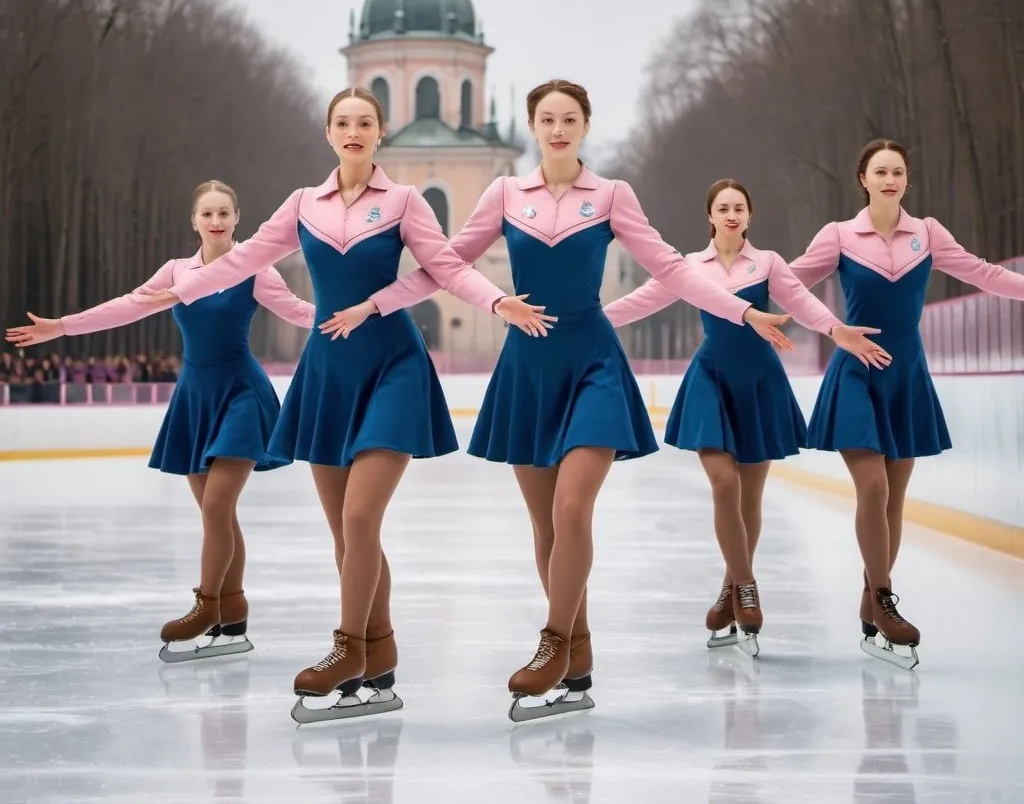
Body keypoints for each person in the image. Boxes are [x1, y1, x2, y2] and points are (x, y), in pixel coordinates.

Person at [325, 79, 794, 720]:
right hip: (527, 367)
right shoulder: (503, 195)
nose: (557, 128)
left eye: (569, 118)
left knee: (573, 509)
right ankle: (579, 651)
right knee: (545, 525)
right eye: (546, 118)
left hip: (594, 362)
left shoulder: (610, 196)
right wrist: (376, 303)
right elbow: (444, 266)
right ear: (532, 126)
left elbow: (673, 268)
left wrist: (743, 312)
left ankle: (552, 642)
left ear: (585, 126)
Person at [136, 87, 552, 722]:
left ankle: (348, 648)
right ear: (329, 133)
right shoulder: (302, 205)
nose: (354, 131)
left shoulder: (405, 202)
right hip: (328, 374)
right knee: (346, 534)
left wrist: (498, 302)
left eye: (365, 122)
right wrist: (142, 301)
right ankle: (379, 656)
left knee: (359, 521)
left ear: (380, 133)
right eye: (343, 123)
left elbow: (443, 267)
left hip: (392, 368)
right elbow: (242, 260)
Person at [5, 180, 315, 661]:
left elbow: (298, 312)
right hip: (194, 398)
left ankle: (205, 605)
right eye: (207, 214)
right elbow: (127, 308)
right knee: (219, 515)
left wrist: (364, 315)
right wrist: (62, 326)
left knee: (216, 507)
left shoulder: (254, 268)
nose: (216, 222)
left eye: (224, 214)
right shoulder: (176, 273)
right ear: (194, 221)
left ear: (238, 219)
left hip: (241, 394)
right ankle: (233, 621)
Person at [603, 179, 891, 655]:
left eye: (740, 207)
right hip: (711, 381)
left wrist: (836, 329)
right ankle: (748, 585)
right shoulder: (689, 267)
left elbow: (802, 302)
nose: (732, 214)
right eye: (723, 207)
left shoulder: (769, 264)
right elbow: (641, 301)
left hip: (759, 383)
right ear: (710, 216)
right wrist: (585, 319)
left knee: (750, 498)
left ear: (749, 216)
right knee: (723, 484)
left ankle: (728, 592)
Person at [788, 138, 1024, 668]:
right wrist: (829, 327)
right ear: (863, 179)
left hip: (906, 375)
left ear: (907, 181)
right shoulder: (841, 236)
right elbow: (788, 282)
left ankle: (870, 599)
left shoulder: (929, 234)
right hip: (855, 371)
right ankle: (887, 598)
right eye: (880, 171)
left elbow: (983, 273)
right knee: (871, 486)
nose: (889, 179)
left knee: (893, 498)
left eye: (898, 171)